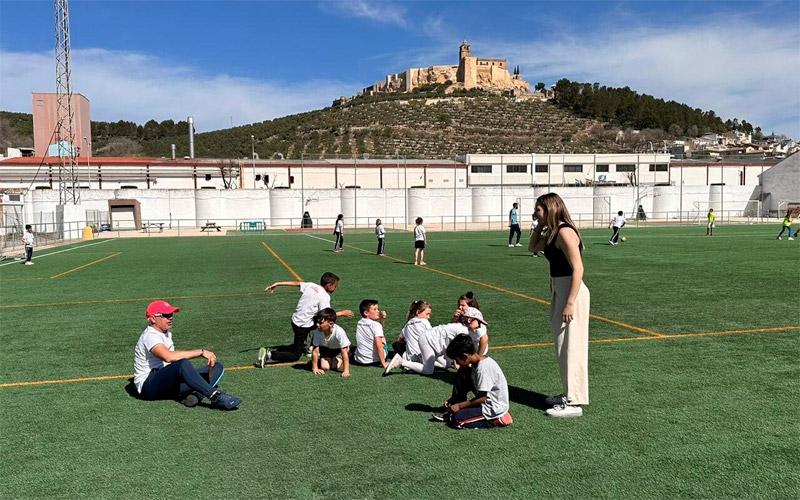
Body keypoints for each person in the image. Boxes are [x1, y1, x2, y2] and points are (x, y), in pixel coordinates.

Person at [530, 192, 590, 418]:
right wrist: (539, 226)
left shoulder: (565, 232)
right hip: (559, 289)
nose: (535, 213)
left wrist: (570, 303)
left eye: (538, 209)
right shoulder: (552, 231)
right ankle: (568, 393)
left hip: (570, 292)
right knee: (563, 346)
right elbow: (532, 247)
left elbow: (578, 269)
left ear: (550, 208)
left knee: (571, 347)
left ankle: (574, 401)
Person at [133, 300, 241, 410]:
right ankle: (215, 396)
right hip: (149, 387)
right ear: (153, 319)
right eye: (166, 315)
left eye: (171, 314)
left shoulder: (165, 332)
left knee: (216, 367)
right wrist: (201, 352)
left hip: (167, 383)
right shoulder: (150, 336)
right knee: (182, 364)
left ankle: (195, 396)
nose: (170, 317)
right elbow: (168, 357)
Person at [257, 272, 354, 366]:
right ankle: (269, 355)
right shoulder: (324, 297)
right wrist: (342, 313)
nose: (336, 288)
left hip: (295, 320)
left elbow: (296, 283)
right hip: (302, 325)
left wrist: (277, 283)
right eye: (335, 286)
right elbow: (327, 317)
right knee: (296, 354)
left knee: (316, 323)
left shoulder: (311, 285)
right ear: (329, 285)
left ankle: (310, 347)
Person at [430, 334, 513, 429]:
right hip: (486, 399)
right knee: (462, 373)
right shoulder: (479, 361)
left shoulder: (483, 369)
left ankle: (495, 420)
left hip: (492, 407)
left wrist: (460, 406)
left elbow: (483, 398)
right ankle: (455, 405)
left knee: (456, 420)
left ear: (465, 356)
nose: (456, 363)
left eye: (457, 360)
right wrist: (455, 401)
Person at [384, 307, 486, 376]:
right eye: (478, 322)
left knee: (444, 365)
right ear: (469, 320)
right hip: (428, 342)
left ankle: (415, 359)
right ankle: (402, 361)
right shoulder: (463, 331)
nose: (480, 325)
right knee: (428, 371)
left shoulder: (462, 328)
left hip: (432, 344)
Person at [388, 300, 432, 370]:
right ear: (418, 312)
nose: (428, 317)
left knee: (396, 344)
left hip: (409, 358)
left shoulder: (407, 324)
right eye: (427, 314)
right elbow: (432, 337)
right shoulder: (425, 322)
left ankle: (403, 360)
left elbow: (399, 339)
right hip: (423, 357)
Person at [310, 308, 351, 378]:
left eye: (320, 323)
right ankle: (328, 359)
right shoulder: (317, 332)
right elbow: (315, 350)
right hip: (326, 348)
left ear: (331, 324)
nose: (317, 324)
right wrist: (315, 368)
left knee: (335, 366)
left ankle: (342, 357)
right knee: (325, 367)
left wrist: (346, 371)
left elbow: (344, 351)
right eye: (317, 322)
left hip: (338, 350)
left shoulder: (339, 332)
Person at [352, 299, 389, 367]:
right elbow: (379, 346)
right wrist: (384, 364)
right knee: (383, 340)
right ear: (366, 313)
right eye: (375, 309)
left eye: (378, 309)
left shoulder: (359, 323)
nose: (378, 311)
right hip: (374, 361)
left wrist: (381, 320)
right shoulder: (376, 325)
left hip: (359, 360)